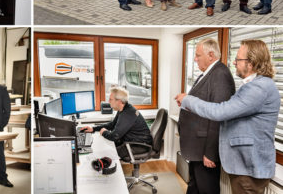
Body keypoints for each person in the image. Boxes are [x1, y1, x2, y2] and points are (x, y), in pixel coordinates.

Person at [176, 40, 280, 194]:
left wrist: (187, 100)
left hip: (249, 168)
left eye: (238, 59)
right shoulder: (254, 85)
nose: (234, 62)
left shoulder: (259, 88)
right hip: (245, 166)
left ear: (251, 63)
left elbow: (220, 112)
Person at [177, 38, 235, 194]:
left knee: (206, 189)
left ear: (210, 55)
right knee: (194, 187)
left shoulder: (220, 74)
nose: (195, 59)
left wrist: (210, 152)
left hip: (205, 150)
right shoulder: (206, 74)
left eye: (198, 55)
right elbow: (205, 105)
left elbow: (219, 116)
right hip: (196, 147)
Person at [80, 87, 152, 159]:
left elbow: (114, 136)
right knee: (103, 149)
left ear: (119, 101)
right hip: (132, 141)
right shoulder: (123, 108)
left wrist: (104, 132)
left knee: (105, 155)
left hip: (139, 145)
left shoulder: (127, 114)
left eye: (111, 99)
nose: (108, 101)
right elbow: (112, 124)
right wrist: (93, 129)